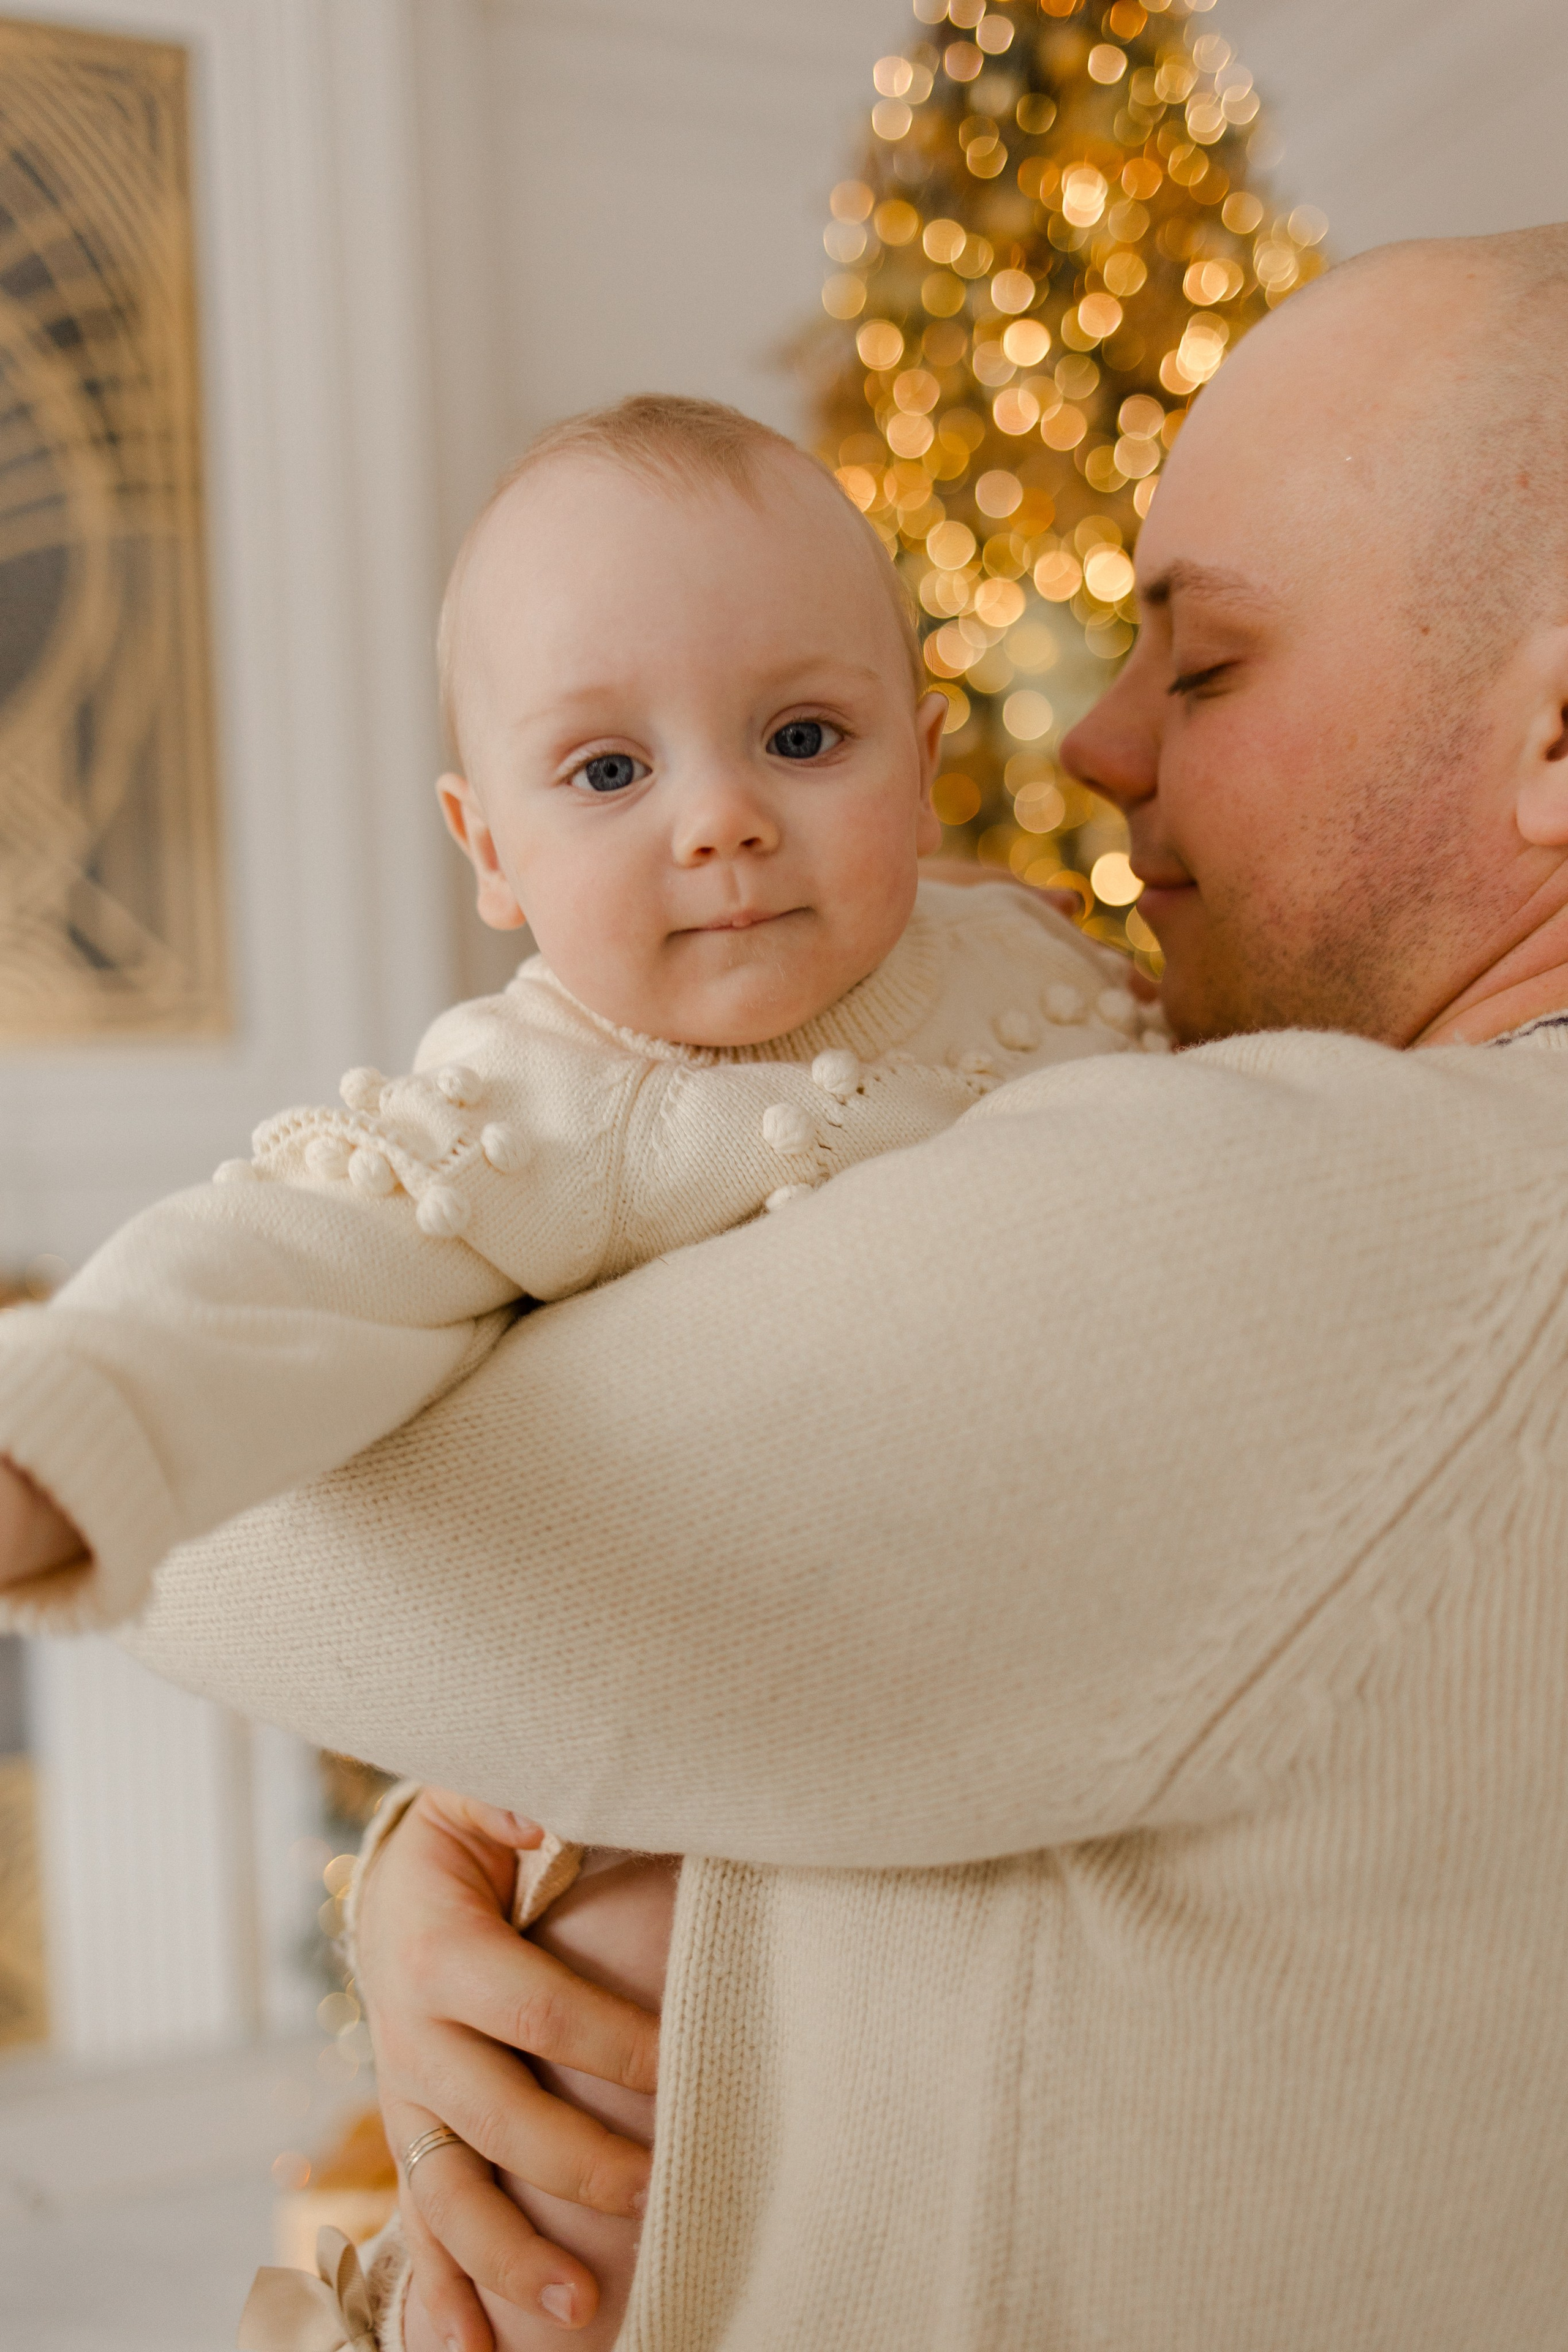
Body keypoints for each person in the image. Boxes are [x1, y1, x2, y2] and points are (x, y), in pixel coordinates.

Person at [9, 224, 1568, 2350]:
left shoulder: (1391, 1215)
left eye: (1203, 664)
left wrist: (458, 1774)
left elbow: (282, 1558)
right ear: (491, 839)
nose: (1100, 748)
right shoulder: (588, 1089)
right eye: (609, 771)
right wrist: (462, 1829)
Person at [0, 396, 1145, 2349]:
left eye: (804, 737)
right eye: (609, 769)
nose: (722, 817)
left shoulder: (1053, 969)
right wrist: (60, 1437)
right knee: (596, 2095)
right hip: (680, 1788)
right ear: (492, 850)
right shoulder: (545, 1095)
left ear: (924, 757)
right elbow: (288, 1265)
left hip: (1043, 1725)